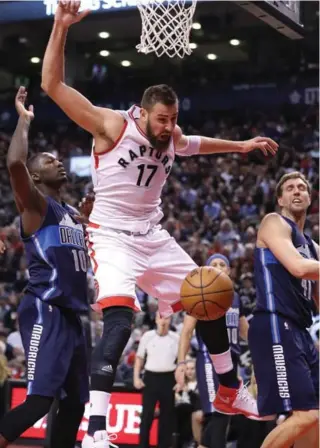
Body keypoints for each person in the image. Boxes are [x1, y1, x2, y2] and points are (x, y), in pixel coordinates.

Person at [41, 2, 278, 447]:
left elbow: (196, 144)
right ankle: (95, 432)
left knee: (212, 296)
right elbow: (52, 84)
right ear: (144, 113)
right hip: (111, 237)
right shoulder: (111, 125)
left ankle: (229, 390)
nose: (170, 128)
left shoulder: (174, 134)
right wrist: (60, 25)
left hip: (154, 235)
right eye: (163, 120)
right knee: (119, 320)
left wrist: (241, 145)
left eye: (173, 119)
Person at [0, 87, 89, 448]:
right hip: (44, 308)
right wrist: (24, 120)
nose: (59, 162)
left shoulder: (71, 214)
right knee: (38, 400)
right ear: (35, 179)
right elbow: (15, 165)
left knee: (75, 404)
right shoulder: (37, 208)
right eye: (49, 160)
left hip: (72, 316)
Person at [248, 171, 319, 448]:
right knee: (306, 414)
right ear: (280, 198)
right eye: (290, 188)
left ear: (310, 198)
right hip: (275, 322)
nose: (297, 191)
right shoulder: (274, 222)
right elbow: (298, 268)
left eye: (302, 187)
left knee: (315, 415)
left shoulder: (313, 246)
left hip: (299, 330)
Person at [175, 254, 250, 448]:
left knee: (225, 416)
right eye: (213, 264)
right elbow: (186, 331)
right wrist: (181, 363)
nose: (218, 267)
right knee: (215, 413)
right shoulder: (200, 294)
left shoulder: (235, 297)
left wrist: (261, 353)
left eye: (222, 264)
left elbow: (245, 331)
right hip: (209, 359)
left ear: (229, 271)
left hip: (232, 361)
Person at [134, 313, 179, 448]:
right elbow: (139, 358)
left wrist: (180, 381)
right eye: (161, 317)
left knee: (166, 418)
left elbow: (181, 360)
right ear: (156, 319)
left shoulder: (176, 338)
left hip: (169, 378)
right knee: (146, 416)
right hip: (151, 377)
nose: (163, 321)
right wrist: (136, 377)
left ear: (171, 319)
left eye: (167, 318)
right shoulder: (147, 336)